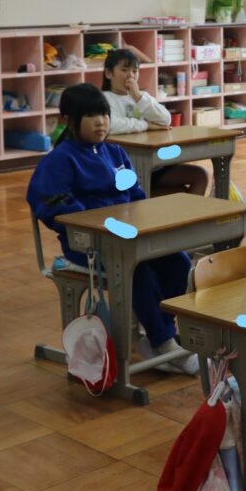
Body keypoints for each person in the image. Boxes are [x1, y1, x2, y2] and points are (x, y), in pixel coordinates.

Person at [27, 83, 197, 375]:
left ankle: (159, 333)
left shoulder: (116, 153)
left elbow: (137, 197)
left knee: (178, 261)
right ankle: (164, 342)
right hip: (88, 246)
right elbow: (52, 205)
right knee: (137, 270)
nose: (101, 122)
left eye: (104, 115)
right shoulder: (59, 160)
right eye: (91, 116)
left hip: (128, 238)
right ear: (67, 120)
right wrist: (96, 224)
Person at [102, 48, 209, 196]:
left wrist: (138, 98)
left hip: (155, 164)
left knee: (200, 176)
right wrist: (146, 125)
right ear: (108, 73)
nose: (130, 75)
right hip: (125, 169)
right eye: (124, 70)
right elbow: (112, 126)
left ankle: (187, 212)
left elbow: (165, 119)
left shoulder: (142, 97)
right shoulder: (104, 98)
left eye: (135, 71)